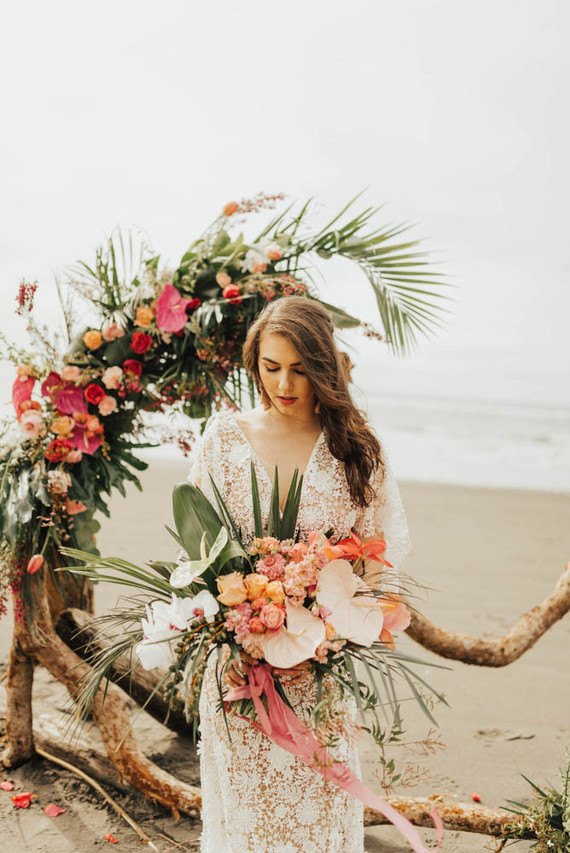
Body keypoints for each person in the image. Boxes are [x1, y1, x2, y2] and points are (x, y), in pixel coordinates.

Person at [187, 296, 412, 853]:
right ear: (253, 363)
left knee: (319, 820)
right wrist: (234, 623)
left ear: (324, 367)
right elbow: (195, 555)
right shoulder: (222, 441)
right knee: (246, 823)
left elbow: (380, 563)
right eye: (270, 367)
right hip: (238, 674)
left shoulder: (356, 451)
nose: (284, 384)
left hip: (320, 677)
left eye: (300, 368)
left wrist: (338, 626)